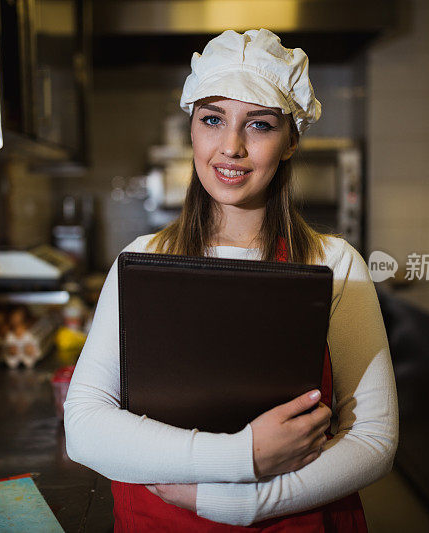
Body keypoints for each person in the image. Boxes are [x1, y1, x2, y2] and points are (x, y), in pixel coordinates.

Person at [64, 28, 399, 531]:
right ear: (192, 129)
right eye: (213, 119)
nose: (230, 147)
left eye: (259, 125)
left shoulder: (337, 264)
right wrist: (243, 456)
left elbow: (372, 440)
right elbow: (86, 428)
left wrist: (237, 501)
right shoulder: (142, 258)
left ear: (290, 141)